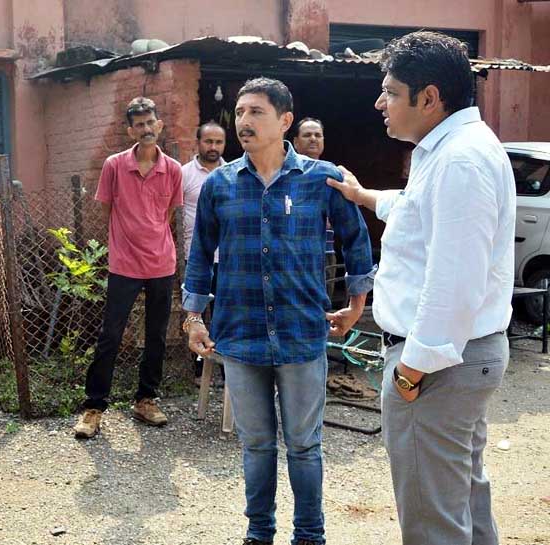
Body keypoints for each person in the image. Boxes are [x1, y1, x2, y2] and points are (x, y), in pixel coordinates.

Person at [327, 31, 515, 545]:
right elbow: (416, 213)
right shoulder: (448, 150)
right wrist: (363, 195)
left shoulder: (460, 161)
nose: (379, 102)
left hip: (436, 364)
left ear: (429, 97)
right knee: (463, 503)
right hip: (455, 359)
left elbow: (454, 280)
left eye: (389, 91)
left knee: (434, 524)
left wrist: (411, 372)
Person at [184, 77, 375, 545]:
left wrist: (356, 304)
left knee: (305, 445)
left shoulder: (320, 178)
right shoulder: (220, 185)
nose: (243, 122)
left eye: (256, 113)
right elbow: (200, 251)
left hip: (300, 331)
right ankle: (259, 531)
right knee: (255, 444)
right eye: (240, 112)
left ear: (285, 120)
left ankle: (309, 534)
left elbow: (355, 240)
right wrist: (193, 316)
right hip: (240, 332)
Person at [73, 96, 183, 439]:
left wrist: (151, 240)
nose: (146, 129)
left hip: (161, 263)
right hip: (124, 264)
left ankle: (146, 400)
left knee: (156, 336)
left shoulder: (174, 170)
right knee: (111, 335)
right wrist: (125, 241)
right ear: (130, 130)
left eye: (151, 122)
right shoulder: (114, 166)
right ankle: (94, 407)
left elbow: (168, 216)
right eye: (139, 124)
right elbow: (105, 213)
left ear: (159, 125)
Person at [181, 121, 226, 386]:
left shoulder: (232, 173)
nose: (213, 147)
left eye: (218, 142)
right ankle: (198, 373)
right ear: (198, 142)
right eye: (208, 141)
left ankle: (224, 371)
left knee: (223, 314)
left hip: (228, 259)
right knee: (195, 315)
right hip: (195, 258)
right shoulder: (185, 174)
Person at [291, 118, 338, 300]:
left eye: (318, 135)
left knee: (324, 309)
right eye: (307, 135)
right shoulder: (286, 175)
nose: (313, 139)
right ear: (295, 142)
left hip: (325, 252)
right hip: (294, 254)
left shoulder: (332, 174)